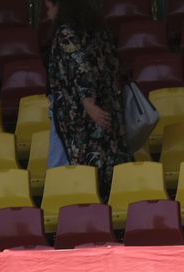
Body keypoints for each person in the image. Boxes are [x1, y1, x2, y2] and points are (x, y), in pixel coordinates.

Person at [43, 0, 131, 192]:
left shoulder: (66, 33)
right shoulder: (99, 29)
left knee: (75, 167)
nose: (47, 14)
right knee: (106, 162)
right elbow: (114, 64)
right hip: (107, 106)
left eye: (48, 7)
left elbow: (80, 67)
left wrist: (88, 103)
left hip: (78, 114)